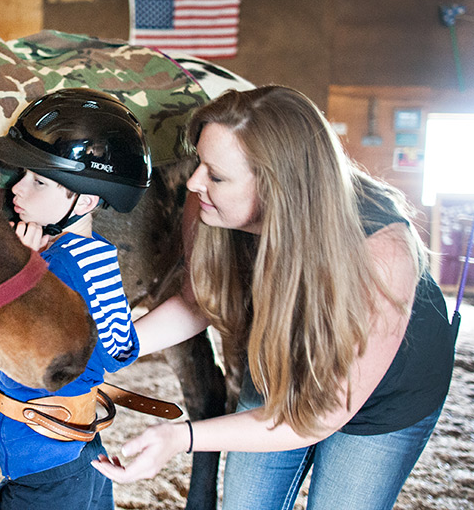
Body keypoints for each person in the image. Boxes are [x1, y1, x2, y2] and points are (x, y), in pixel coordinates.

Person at [92, 85, 459, 510]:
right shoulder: (208, 203)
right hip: (280, 356)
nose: (194, 182)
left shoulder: (381, 252)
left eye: (217, 175)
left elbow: (318, 417)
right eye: (200, 163)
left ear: (277, 186)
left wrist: (181, 437)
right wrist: (100, 351)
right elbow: (198, 304)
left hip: (383, 399)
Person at [0, 88, 152, 510]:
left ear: (86, 200)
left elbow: (15, 367)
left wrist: (22, 277)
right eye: (23, 174)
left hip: (46, 463)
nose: (18, 189)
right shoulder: (86, 256)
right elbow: (116, 349)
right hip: (71, 452)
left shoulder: (61, 269)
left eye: (39, 181)